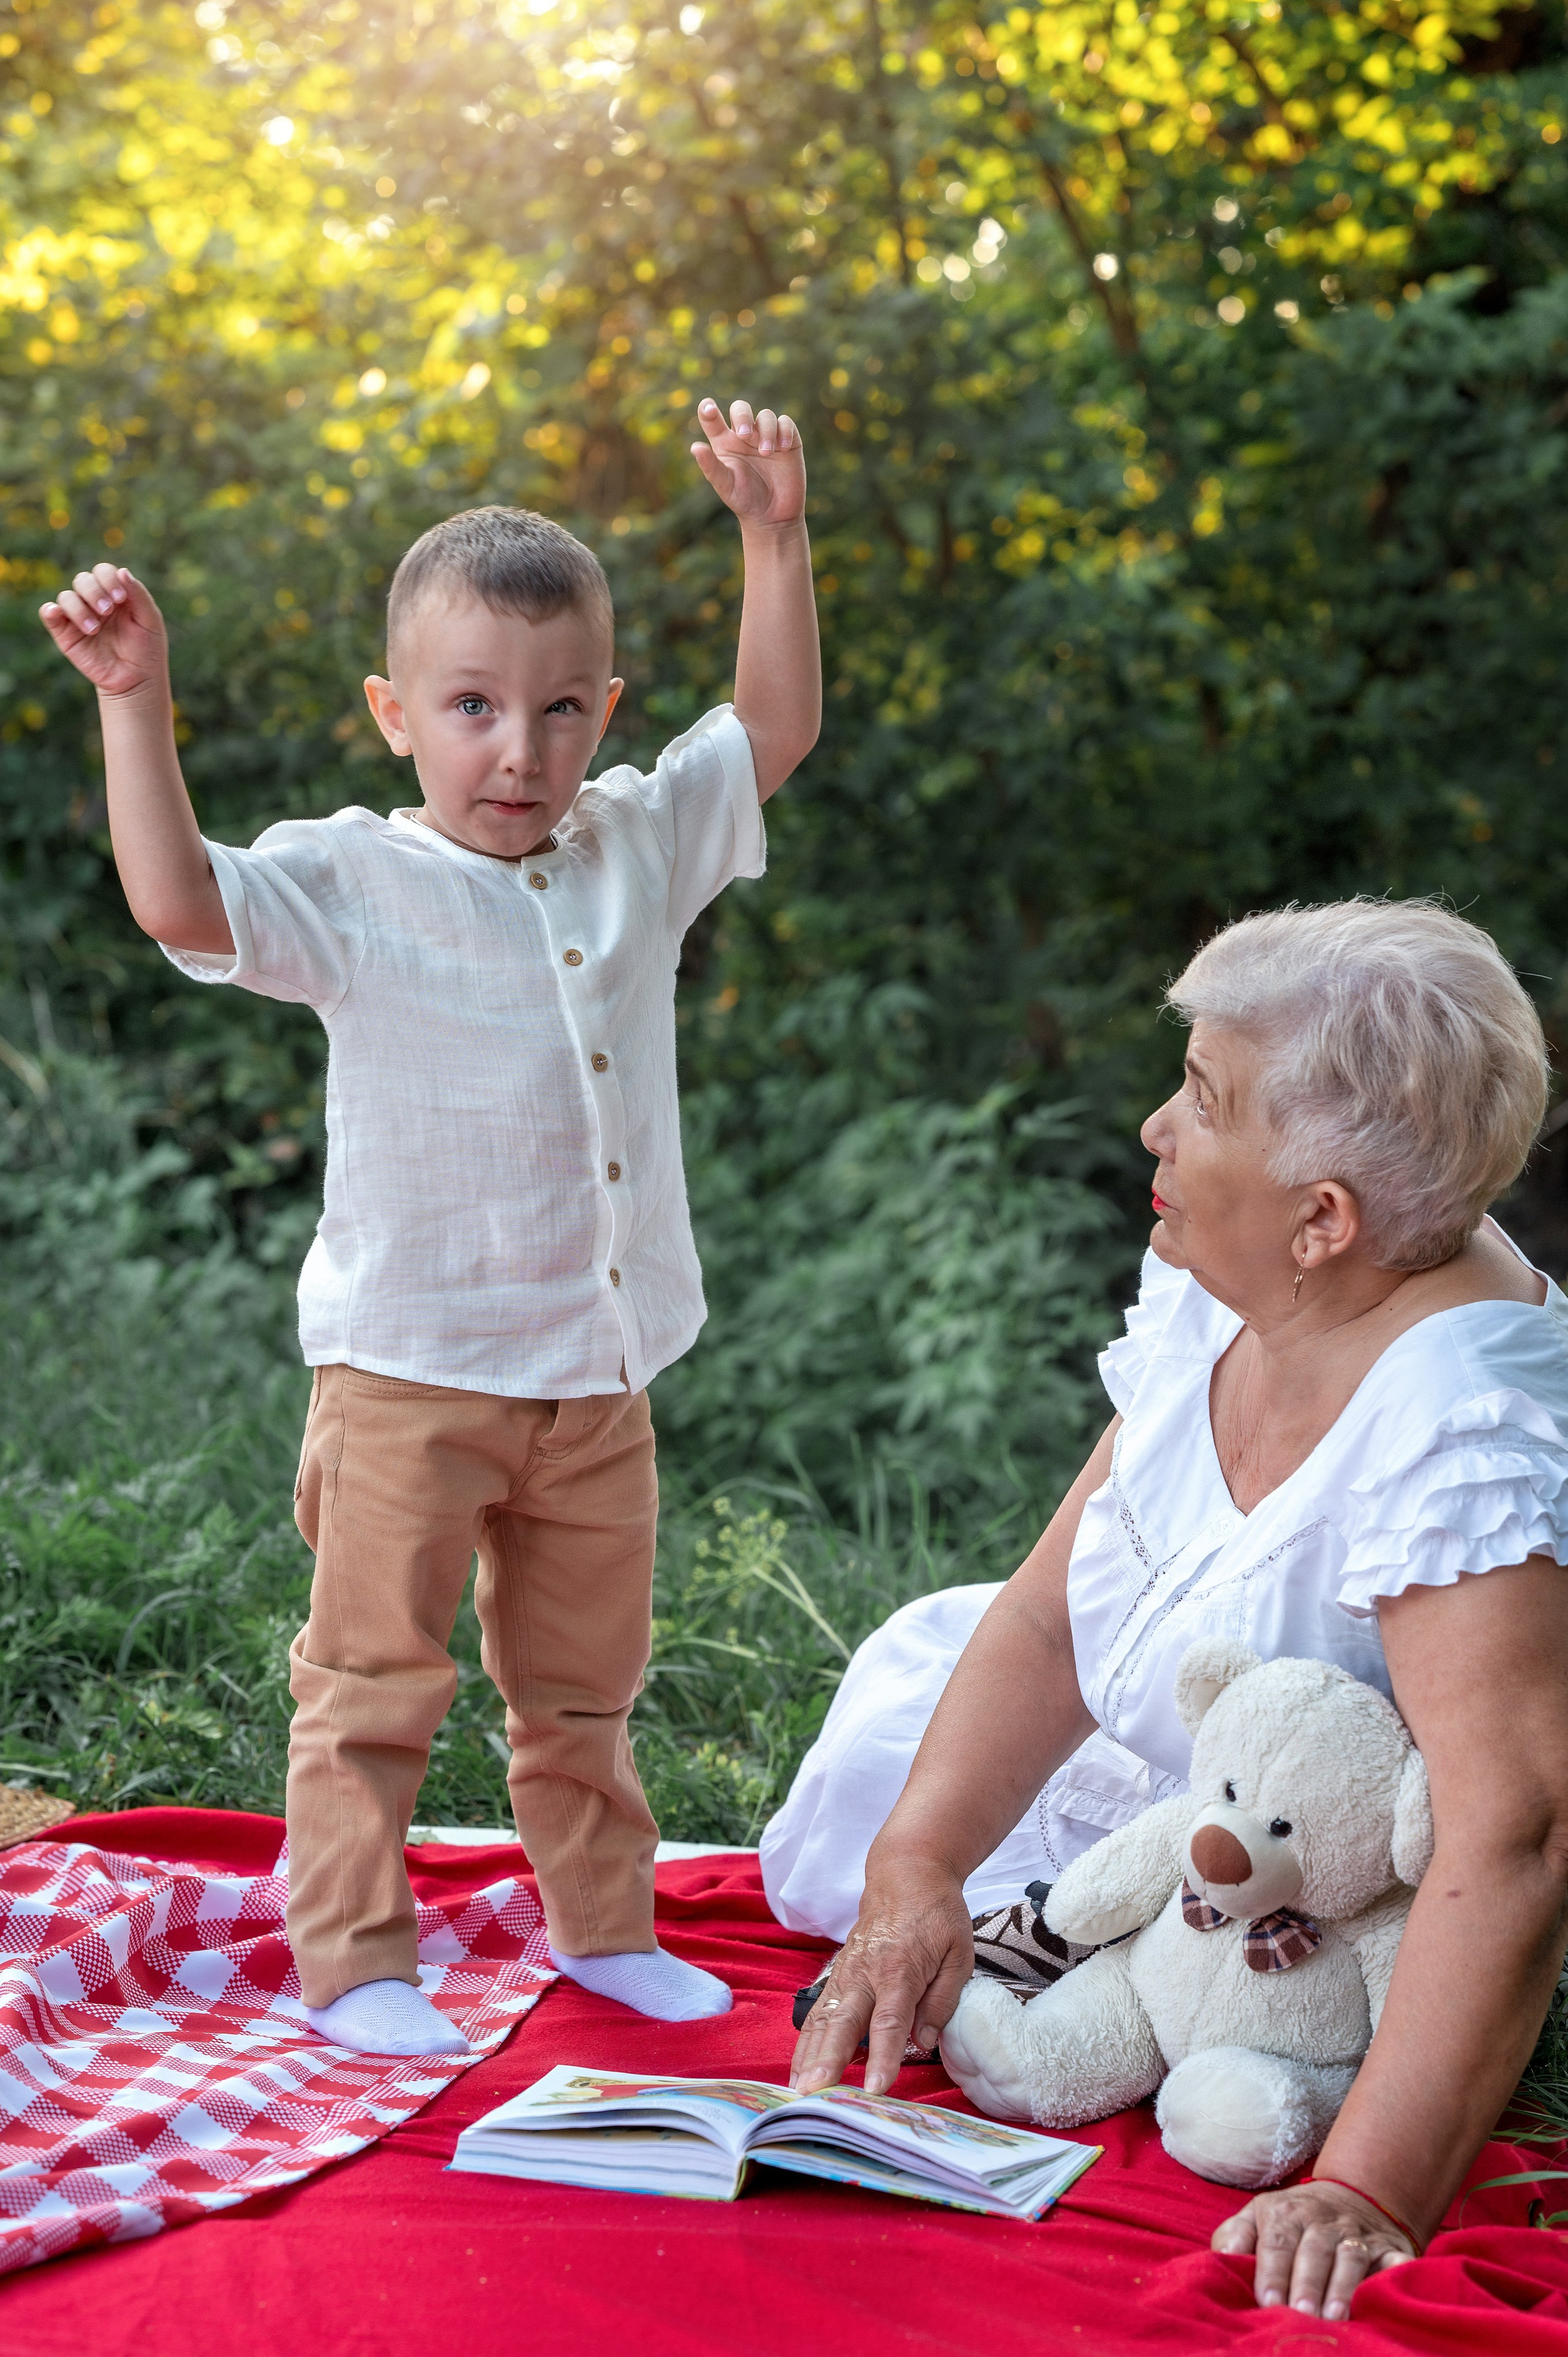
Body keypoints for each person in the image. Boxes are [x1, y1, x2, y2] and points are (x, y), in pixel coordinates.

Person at [40, 394, 820, 2057]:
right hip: (408, 1372)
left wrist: (772, 533)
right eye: (471, 709)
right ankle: (356, 1958)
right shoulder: (354, 883)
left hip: (597, 1383)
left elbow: (768, 732)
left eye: (556, 710)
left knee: (586, 1690)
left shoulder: (633, 846)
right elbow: (181, 901)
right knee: (374, 1686)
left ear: (603, 708)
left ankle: (604, 1927)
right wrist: (137, 703)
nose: (518, 752)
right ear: (397, 713)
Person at [777, 899, 1568, 2324]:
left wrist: (1367, 2188)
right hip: (1159, 1795)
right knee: (876, 1810)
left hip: (1316, 1907)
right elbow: (1044, 1617)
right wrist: (915, 1869)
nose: (1152, 1127)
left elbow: (1513, 1832)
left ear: (1323, 1220)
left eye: (1198, 1101)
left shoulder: (1460, 1431)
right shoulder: (1239, 1277)